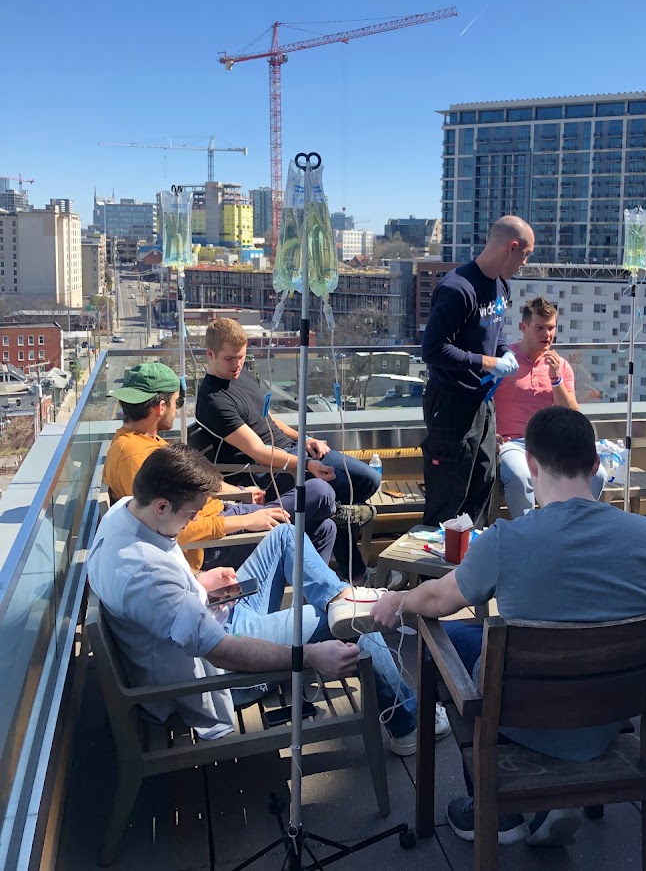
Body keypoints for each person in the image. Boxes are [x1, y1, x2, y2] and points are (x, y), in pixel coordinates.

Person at [371, 406, 646, 848]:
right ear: (595, 465)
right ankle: (549, 806)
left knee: (442, 643)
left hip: (521, 718)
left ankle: (499, 813)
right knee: (483, 640)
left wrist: (398, 600)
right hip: (610, 713)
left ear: (532, 465)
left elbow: (437, 600)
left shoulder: (505, 540)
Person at [88, 444, 451, 754]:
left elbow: (167, 604)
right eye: (191, 514)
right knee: (352, 621)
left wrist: (199, 584)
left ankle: (339, 595)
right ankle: (407, 724)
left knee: (285, 536)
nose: (193, 520)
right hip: (223, 671)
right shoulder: (145, 575)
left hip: (214, 615)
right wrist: (309, 656)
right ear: (162, 506)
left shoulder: (126, 513)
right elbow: (221, 652)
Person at [192, 318, 381, 583]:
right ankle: (352, 563)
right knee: (343, 491)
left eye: (242, 357)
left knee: (367, 480)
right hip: (266, 470)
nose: (237, 364)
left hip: (290, 450)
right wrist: (306, 464)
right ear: (210, 354)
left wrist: (305, 439)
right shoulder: (213, 400)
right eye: (229, 359)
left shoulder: (242, 375)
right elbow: (258, 450)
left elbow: (266, 418)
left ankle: (339, 525)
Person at [104, 362, 337, 571]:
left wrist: (239, 493)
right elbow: (172, 530)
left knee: (324, 528)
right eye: (177, 401)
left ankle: (309, 597)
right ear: (161, 407)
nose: (177, 408)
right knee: (320, 492)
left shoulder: (139, 442)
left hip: (221, 515)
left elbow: (191, 486)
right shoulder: (137, 457)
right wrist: (246, 521)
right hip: (212, 544)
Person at [420, 216, 534, 527]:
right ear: (512, 247)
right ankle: (438, 559)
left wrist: (504, 352)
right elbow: (433, 350)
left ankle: (472, 555)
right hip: (451, 404)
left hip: (482, 402)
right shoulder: (458, 288)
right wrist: (489, 362)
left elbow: (495, 331)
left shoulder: (500, 285)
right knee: (449, 496)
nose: (525, 263)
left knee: (481, 484)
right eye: (525, 255)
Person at [494, 296, 606, 517]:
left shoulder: (560, 365)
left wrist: (556, 379)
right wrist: (490, 436)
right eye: (540, 328)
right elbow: (483, 402)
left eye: (551, 328)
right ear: (523, 328)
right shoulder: (505, 361)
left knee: (597, 474)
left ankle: (573, 527)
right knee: (520, 475)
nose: (546, 334)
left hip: (551, 443)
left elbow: (573, 415)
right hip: (511, 442)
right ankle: (529, 531)